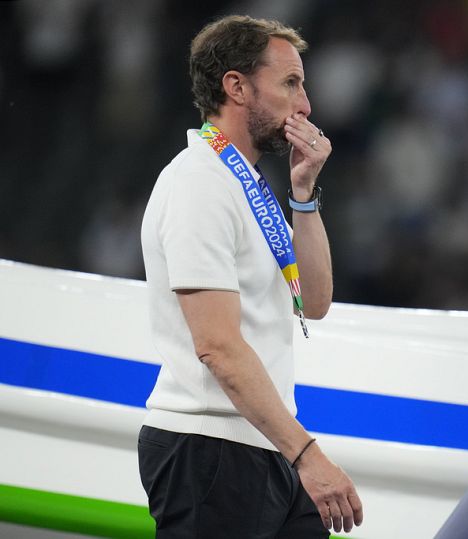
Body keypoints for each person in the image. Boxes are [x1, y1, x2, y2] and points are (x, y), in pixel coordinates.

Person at [138, 15, 362, 538]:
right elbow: (217, 346)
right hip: (210, 447)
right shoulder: (199, 183)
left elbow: (315, 301)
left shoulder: (247, 186)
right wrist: (307, 455)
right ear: (236, 87)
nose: (306, 105)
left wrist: (303, 194)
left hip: (266, 443)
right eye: (290, 83)